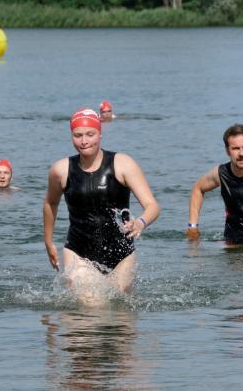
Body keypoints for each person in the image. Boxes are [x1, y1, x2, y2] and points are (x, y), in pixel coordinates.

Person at [43, 108, 160, 298]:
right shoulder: (61, 170)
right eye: (78, 135)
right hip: (78, 253)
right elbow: (50, 203)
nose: (84, 141)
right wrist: (48, 242)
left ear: (100, 134)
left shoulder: (123, 164)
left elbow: (152, 206)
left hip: (122, 255)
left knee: (120, 309)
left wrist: (140, 223)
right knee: (90, 306)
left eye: (90, 134)